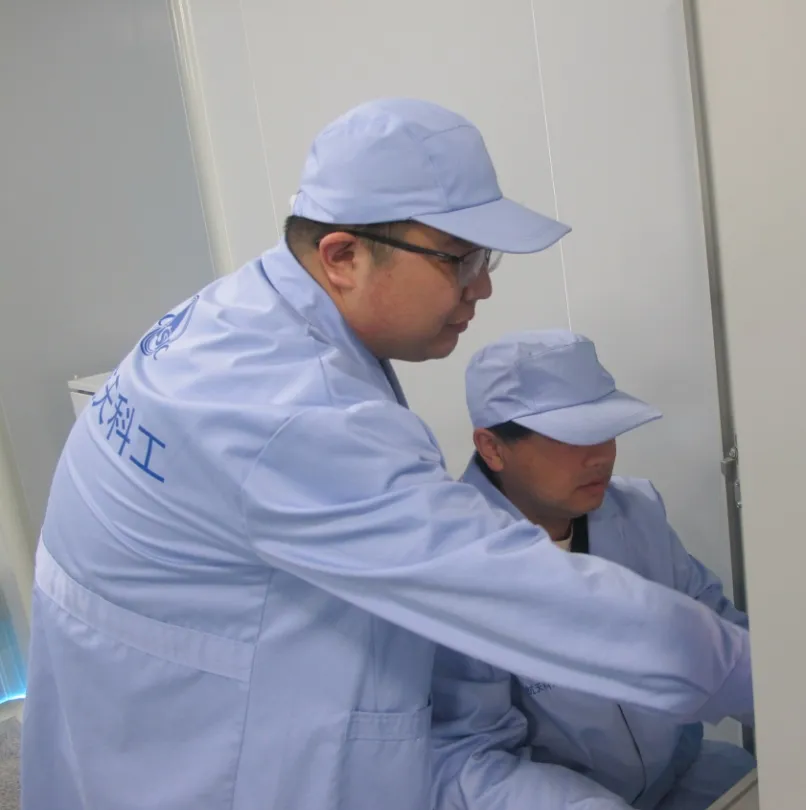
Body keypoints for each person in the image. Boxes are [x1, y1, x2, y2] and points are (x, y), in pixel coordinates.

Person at [20, 99, 752, 810]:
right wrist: (764, 677)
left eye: (484, 258)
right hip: (195, 750)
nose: (482, 286)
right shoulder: (290, 408)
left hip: (139, 703)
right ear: (342, 257)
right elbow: (519, 589)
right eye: (458, 260)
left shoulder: (241, 317)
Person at [432, 329, 756, 810]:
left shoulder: (637, 512)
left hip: (682, 773)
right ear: (493, 447)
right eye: (572, 438)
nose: (601, 456)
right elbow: (470, 756)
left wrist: (801, 700)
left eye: (607, 430)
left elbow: (717, 626)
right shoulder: (454, 570)